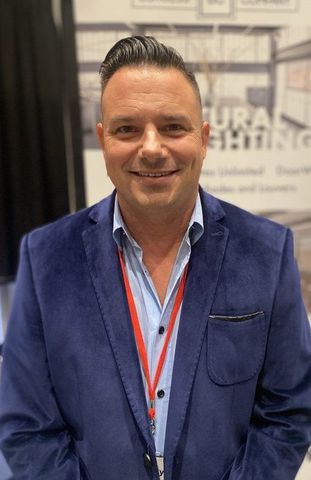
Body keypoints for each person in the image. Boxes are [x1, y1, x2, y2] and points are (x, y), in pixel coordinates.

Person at [0, 35, 310, 480]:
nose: (151, 147)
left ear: (202, 139)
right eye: (127, 129)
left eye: (172, 127)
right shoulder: (46, 257)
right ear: (103, 140)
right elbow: (26, 426)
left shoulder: (267, 252)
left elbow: (287, 413)